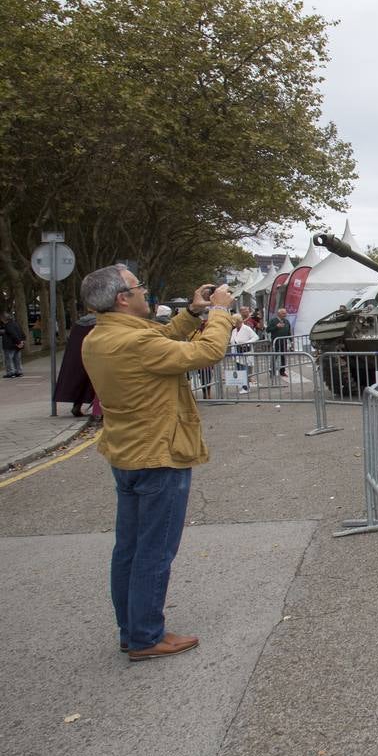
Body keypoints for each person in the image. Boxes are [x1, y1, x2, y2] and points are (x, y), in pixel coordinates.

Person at [79, 266, 233, 661]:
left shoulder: (101, 336)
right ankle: (148, 636)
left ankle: (132, 630)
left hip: (127, 453)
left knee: (129, 549)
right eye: (138, 287)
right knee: (155, 551)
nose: (145, 292)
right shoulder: (133, 343)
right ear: (122, 298)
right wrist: (218, 316)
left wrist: (193, 313)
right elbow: (205, 353)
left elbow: (160, 338)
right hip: (160, 454)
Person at [54, 312, 98, 417]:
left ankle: (77, 406)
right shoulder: (99, 323)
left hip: (76, 356)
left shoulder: (79, 323)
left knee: (80, 380)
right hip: (93, 354)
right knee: (95, 381)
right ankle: (98, 411)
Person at [230, 314, 259, 393]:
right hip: (236, 353)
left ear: (238, 321)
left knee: (244, 370)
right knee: (239, 370)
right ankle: (243, 386)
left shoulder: (246, 328)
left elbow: (256, 337)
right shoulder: (234, 330)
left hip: (245, 352)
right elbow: (232, 341)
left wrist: (247, 342)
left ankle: (246, 387)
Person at [265, 307, 292, 377]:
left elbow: (288, 331)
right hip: (275, 342)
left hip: (284, 341)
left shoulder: (286, 321)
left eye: (285, 313)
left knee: (283, 356)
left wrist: (291, 340)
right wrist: (276, 327)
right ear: (279, 314)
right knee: (275, 356)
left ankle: (282, 371)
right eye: (283, 313)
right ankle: (272, 371)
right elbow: (267, 330)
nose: (285, 314)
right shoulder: (273, 321)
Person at [2, 311, 25, 377]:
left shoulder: (8, 325)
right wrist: (22, 341)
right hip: (17, 345)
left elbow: (13, 334)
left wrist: (18, 342)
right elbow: (22, 332)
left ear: (4, 319)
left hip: (10, 345)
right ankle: (19, 371)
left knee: (9, 359)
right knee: (17, 359)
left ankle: (11, 372)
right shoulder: (15, 324)